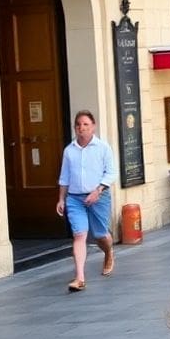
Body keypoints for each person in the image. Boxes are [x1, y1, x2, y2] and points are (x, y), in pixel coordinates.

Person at [56, 110, 118, 293]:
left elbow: (111, 173)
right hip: (75, 198)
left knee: (100, 234)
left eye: (85, 125)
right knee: (80, 235)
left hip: (98, 196)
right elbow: (64, 177)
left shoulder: (103, 148)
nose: (81, 128)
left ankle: (108, 253)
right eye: (78, 125)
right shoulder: (69, 151)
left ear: (93, 127)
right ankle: (80, 278)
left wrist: (98, 190)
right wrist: (61, 199)